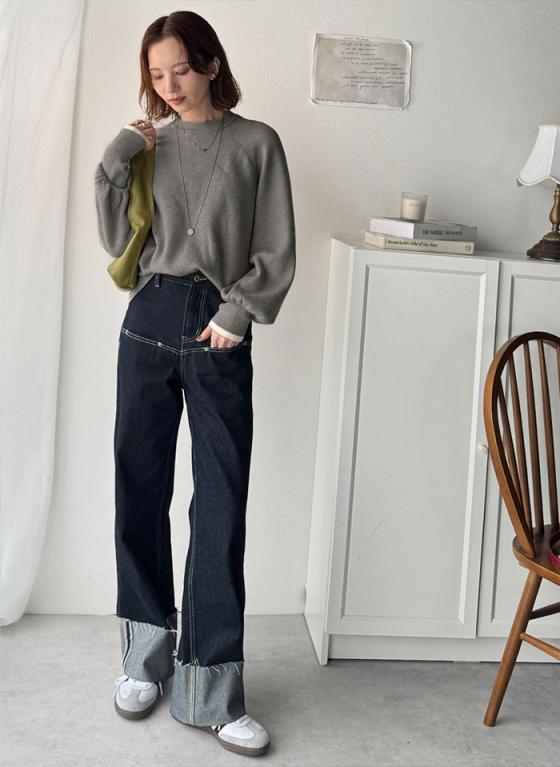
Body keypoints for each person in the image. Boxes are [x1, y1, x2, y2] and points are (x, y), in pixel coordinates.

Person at [94, 10, 296, 758]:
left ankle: (209, 688)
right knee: (139, 489)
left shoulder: (257, 143)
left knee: (220, 503)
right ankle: (144, 659)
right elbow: (118, 239)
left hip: (219, 324)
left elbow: (275, 244)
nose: (169, 85)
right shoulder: (150, 143)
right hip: (148, 318)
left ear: (211, 63)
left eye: (180, 68)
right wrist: (118, 155)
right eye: (156, 74)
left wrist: (239, 313)